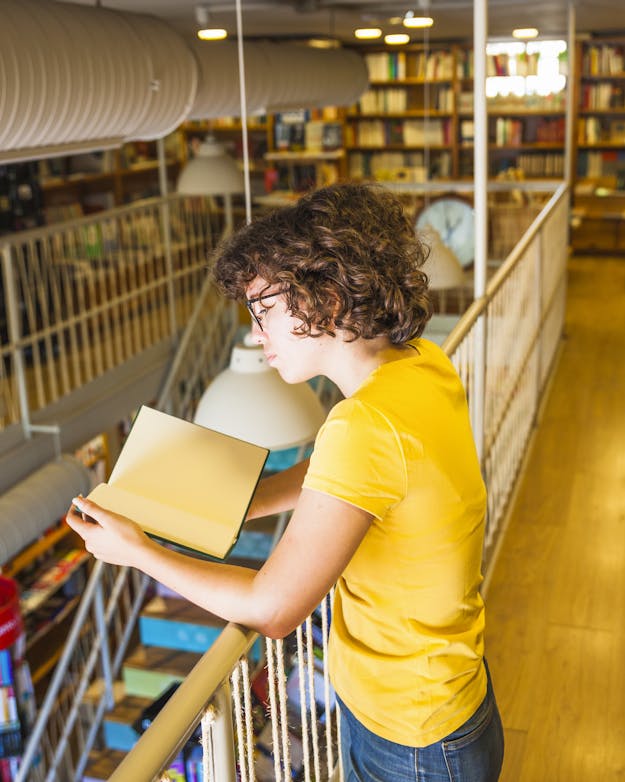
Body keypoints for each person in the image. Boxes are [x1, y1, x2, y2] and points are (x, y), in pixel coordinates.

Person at [67, 182, 504, 781]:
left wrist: (137, 553)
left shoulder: (365, 423)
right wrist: (232, 506)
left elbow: (272, 610)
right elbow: (340, 473)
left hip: (414, 737)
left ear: (323, 298)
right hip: (436, 705)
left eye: (264, 311)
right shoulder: (417, 365)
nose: (255, 336)